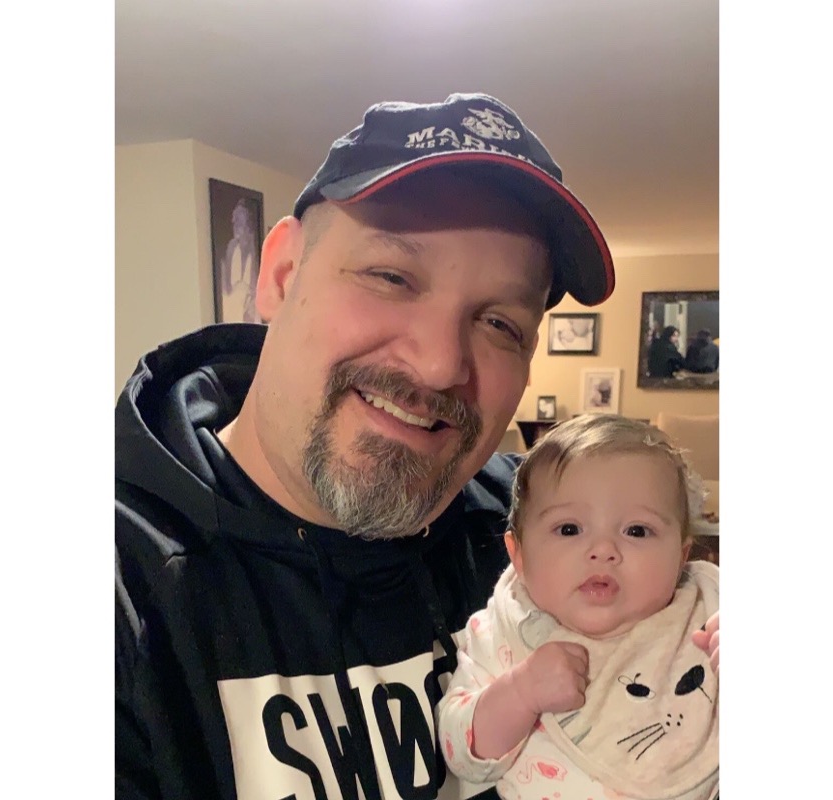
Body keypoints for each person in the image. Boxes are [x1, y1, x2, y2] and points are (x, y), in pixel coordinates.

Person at [116, 93, 629, 799]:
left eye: (500, 324)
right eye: (391, 277)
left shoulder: (542, 532)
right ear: (281, 275)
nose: (440, 365)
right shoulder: (126, 593)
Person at [437, 414, 719, 799]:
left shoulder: (707, 608)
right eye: (569, 529)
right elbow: (461, 753)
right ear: (519, 556)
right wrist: (519, 693)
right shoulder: (504, 631)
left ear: (681, 557)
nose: (603, 550)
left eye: (637, 530)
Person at [219, 198, 259, 322]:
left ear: (249, 226)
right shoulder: (231, 248)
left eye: (239, 220)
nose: (234, 223)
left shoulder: (256, 251)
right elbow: (225, 290)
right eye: (234, 219)